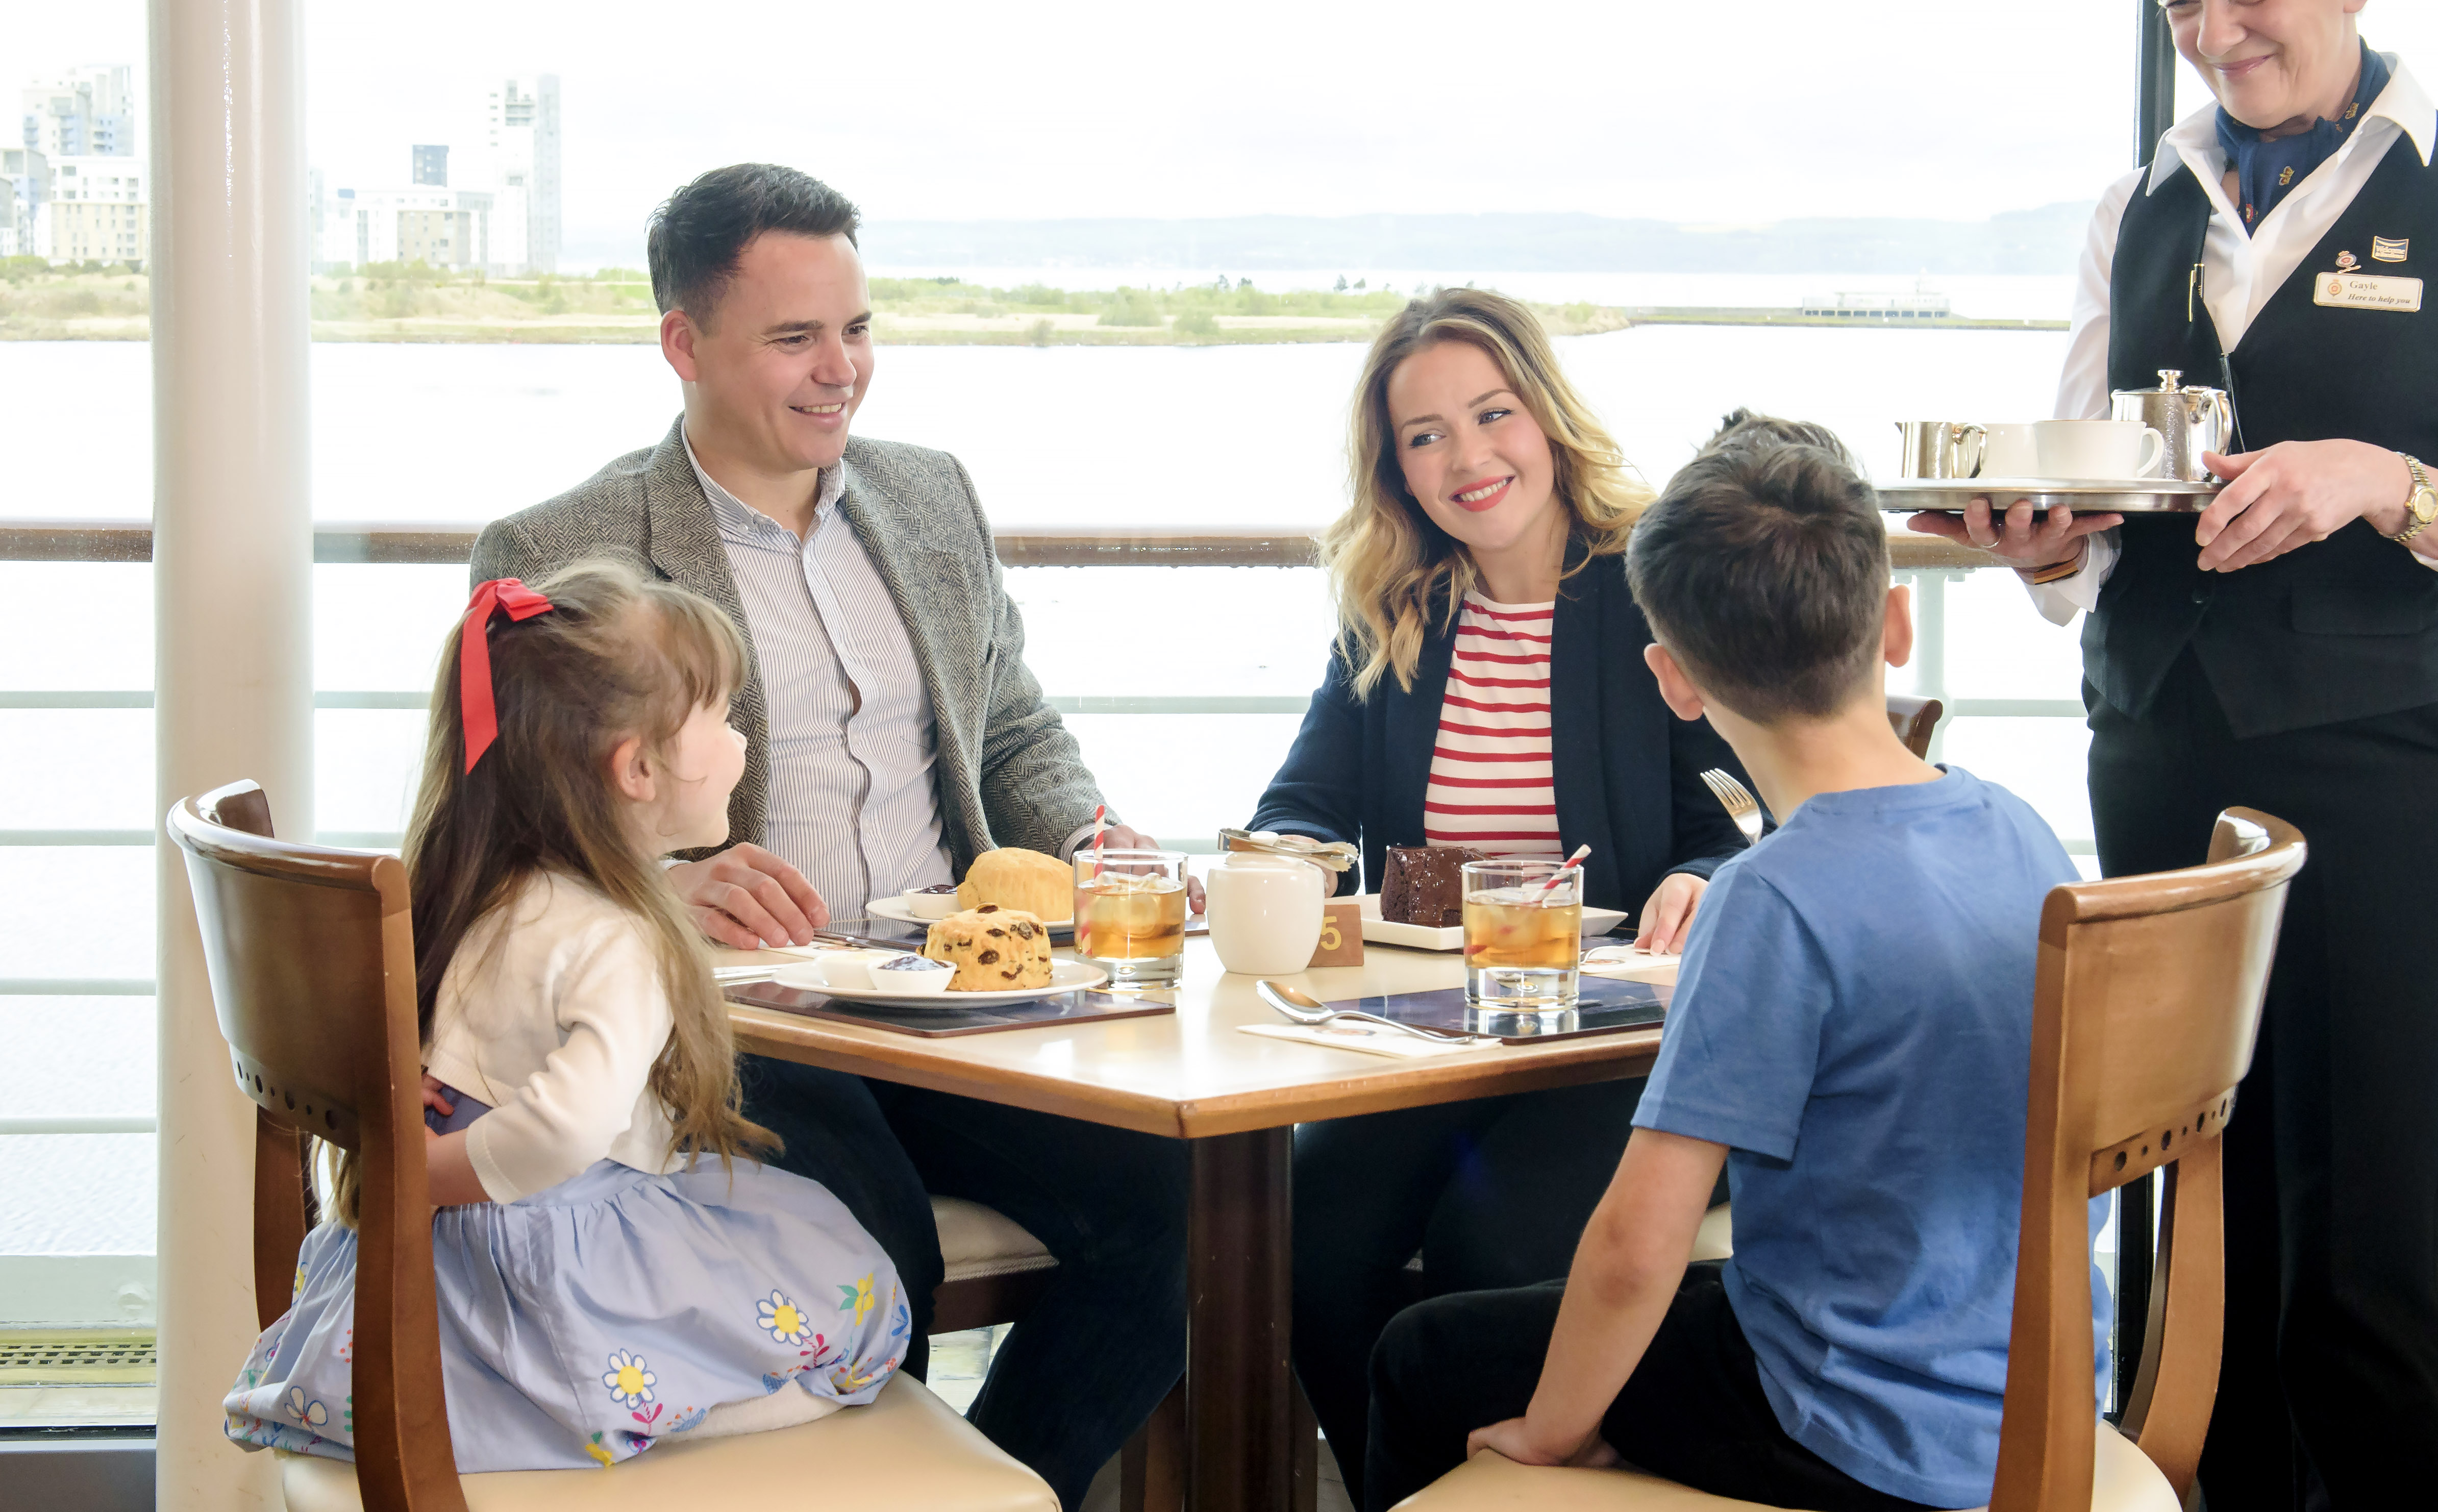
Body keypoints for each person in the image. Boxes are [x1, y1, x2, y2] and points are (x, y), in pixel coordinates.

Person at [1911, 0, 2438, 1509]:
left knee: (2356, 1234)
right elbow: (2083, 492)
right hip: (2156, 743)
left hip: (2374, 755)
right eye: (2177, 10)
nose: (2212, 38)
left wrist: (2385, 483)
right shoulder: (2134, 203)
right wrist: (2038, 546)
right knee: (2182, 1212)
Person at [468, 164, 1183, 1508]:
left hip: (968, 1005)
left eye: (855, 328)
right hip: (741, 1030)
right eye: (794, 337)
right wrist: (666, 884)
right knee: (867, 1246)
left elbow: (1009, 726)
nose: (839, 369)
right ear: (684, 343)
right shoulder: (560, 544)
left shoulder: (932, 496)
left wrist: (1097, 840)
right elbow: (510, 831)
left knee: (1194, 1213)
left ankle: (999, 1490)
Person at [1365, 412, 2100, 1510]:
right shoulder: (2021, 832)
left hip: (1841, 1423)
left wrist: (1553, 1434)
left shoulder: (1770, 897)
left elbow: (1633, 1243)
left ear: (1672, 679)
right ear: (1895, 625)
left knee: (1421, 1355)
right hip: (2038, 1392)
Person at [226, 562, 912, 1470]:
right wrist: (420, 1174)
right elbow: (565, 1128)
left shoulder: (484, 885)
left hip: (441, 1259)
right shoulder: (619, 938)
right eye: (723, 720)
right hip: (549, 1254)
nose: (743, 745)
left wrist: (408, 1173)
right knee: (862, 1283)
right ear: (635, 769)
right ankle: (655, 1411)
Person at [1247, 289, 1755, 1499]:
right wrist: (1279, 857)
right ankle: (1408, 1497)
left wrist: (1696, 877)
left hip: (1629, 1047)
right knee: (1300, 1242)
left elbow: (1748, 814)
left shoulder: (1654, 583)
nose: (1466, 457)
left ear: (1546, 413)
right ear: (1396, 470)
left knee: (1493, 1251)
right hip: (1435, 1037)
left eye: (1491, 413)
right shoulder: (1397, 609)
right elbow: (1303, 802)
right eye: (1424, 435)